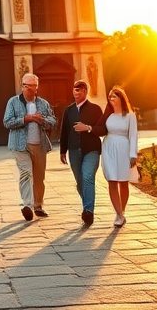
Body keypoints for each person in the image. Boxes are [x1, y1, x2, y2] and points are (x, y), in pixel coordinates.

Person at [4, 72, 57, 221]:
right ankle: (27, 205)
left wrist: (42, 120)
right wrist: (25, 119)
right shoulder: (13, 102)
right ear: (22, 86)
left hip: (39, 145)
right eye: (27, 86)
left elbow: (53, 121)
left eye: (32, 86)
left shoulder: (43, 104)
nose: (29, 89)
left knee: (39, 178)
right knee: (26, 173)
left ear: (37, 87)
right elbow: (7, 122)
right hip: (20, 145)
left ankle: (38, 206)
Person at [58, 80, 105, 226]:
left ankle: (88, 211)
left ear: (85, 91)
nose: (75, 92)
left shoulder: (96, 109)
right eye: (74, 90)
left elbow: (103, 129)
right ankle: (87, 208)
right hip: (73, 151)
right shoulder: (69, 110)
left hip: (92, 150)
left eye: (78, 90)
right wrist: (62, 151)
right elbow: (64, 131)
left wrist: (88, 128)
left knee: (88, 177)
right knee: (80, 182)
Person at [102, 85, 139, 228]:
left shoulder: (130, 115)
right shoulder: (108, 115)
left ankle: (122, 211)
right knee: (112, 180)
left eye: (114, 96)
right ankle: (118, 214)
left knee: (123, 182)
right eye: (109, 96)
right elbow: (99, 127)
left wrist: (132, 154)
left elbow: (133, 135)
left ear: (120, 98)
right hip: (109, 148)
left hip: (124, 149)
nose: (111, 99)